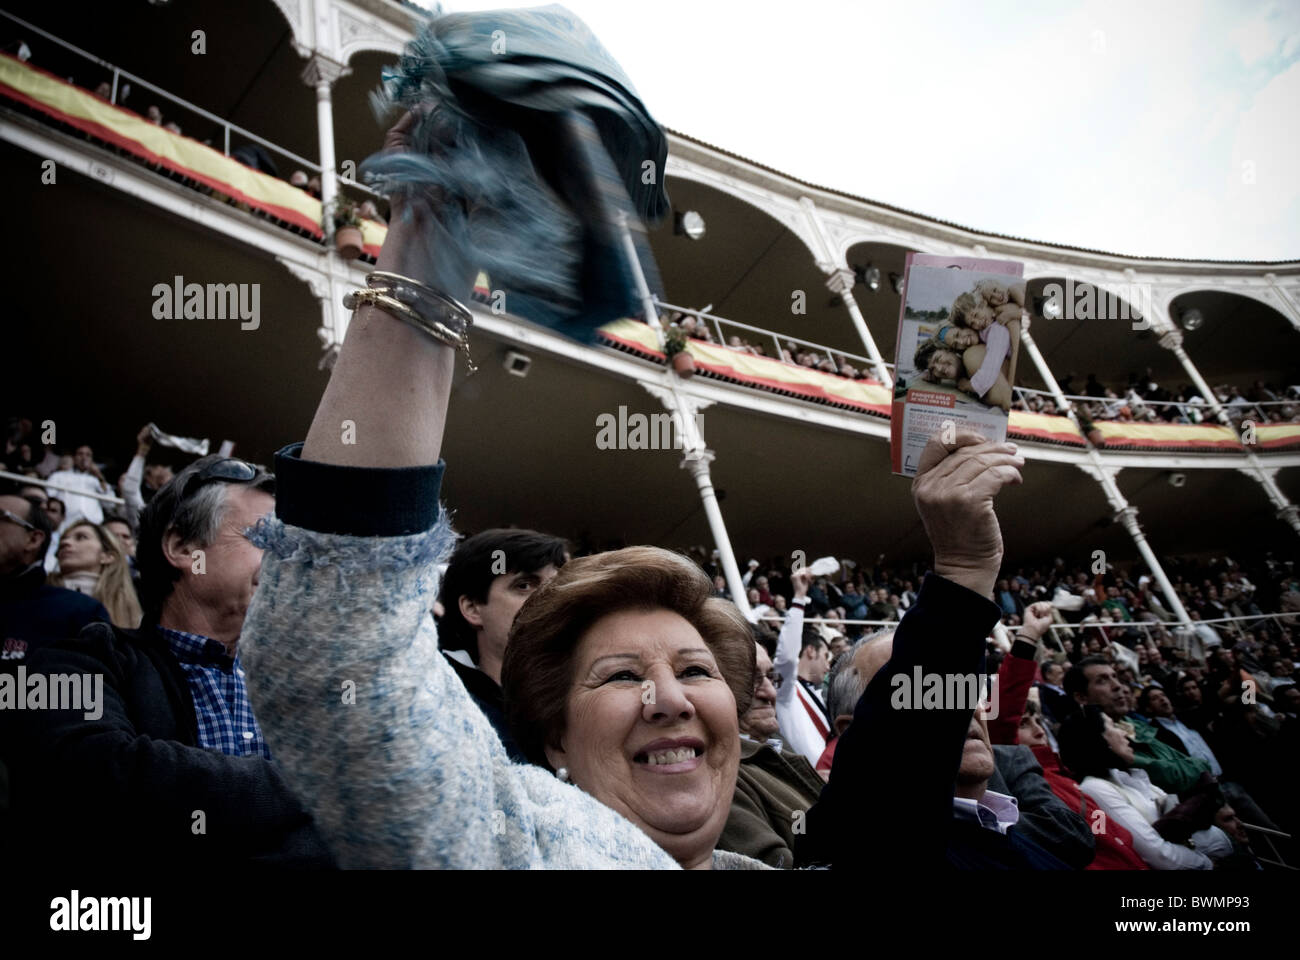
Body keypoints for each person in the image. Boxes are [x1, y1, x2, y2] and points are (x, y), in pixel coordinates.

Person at [238, 110, 1031, 870]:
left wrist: (963, 574)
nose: (669, 700)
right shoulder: (518, 849)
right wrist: (426, 250)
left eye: (695, 672)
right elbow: (337, 655)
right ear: (553, 743)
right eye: (620, 677)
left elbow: (894, 780)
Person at [7, 456, 333, 866]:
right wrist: (316, 788)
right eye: (267, 540)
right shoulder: (74, 662)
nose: (290, 566)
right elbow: (98, 778)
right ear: (182, 548)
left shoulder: (300, 687)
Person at [436, 527, 567, 762]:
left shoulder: (596, 698)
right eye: (524, 585)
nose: (551, 597)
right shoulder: (438, 706)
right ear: (473, 609)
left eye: (559, 585)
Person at [1057, 707, 1232, 869]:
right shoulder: (1096, 788)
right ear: (1098, 739)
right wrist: (1208, 864)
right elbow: (1158, 854)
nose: (1124, 733)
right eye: (1112, 726)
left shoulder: (1131, 776)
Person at [719, 636, 825, 867]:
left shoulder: (777, 751)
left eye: (771, 677)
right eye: (752, 680)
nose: (770, 693)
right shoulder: (718, 777)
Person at [0, 491, 107, 665]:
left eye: (1, 516)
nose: (66, 543)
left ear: (33, 539)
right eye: (64, 538)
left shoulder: (80, 611)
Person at [772, 570, 832, 766]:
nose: (828, 664)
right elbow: (787, 658)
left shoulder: (816, 693)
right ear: (810, 651)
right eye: (825, 656)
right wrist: (799, 598)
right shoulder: (786, 691)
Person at [48, 519, 141, 628]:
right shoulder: (37, 590)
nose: (65, 543)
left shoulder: (130, 609)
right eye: (63, 539)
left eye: (81, 537)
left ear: (107, 556)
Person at [45, 445, 110, 526]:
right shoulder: (59, 475)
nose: (84, 458)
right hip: (66, 522)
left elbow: (109, 504)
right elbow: (48, 495)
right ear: (74, 458)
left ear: (92, 460)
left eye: (88, 455)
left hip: (93, 522)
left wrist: (99, 475)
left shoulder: (96, 480)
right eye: (80, 454)